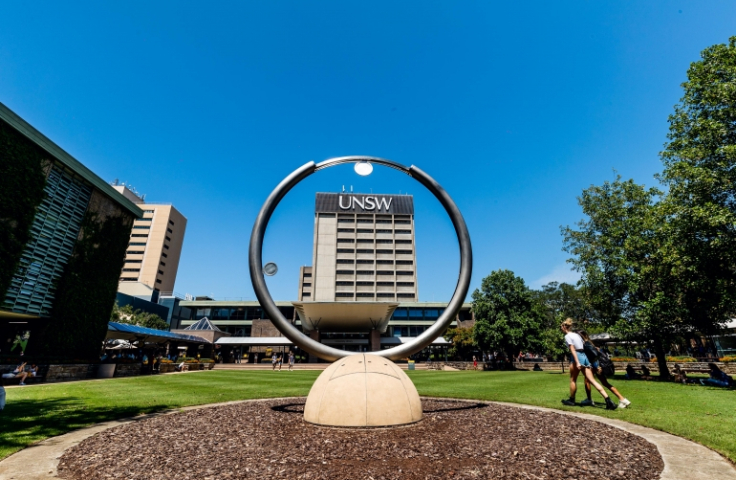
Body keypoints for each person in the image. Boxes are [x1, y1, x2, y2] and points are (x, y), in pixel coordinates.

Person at [560, 319, 616, 410]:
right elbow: (583, 345)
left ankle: (571, 400)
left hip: (577, 356)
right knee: (593, 381)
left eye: (561, 327)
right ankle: (608, 400)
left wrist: (577, 362)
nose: (561, 329)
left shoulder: (568, 336)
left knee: (573, 379)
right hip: (584, 356)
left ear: (564, 327)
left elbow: (572, 349)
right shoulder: (577, 335)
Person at [578, 331, 631, 409]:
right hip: (595, 366)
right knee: (601, 382)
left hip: (594, 366)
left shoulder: (586, 344)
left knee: (597, 382)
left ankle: (590, 400)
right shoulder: (590, 343)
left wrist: (597, 367)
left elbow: (594, 356)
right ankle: (622, 399)